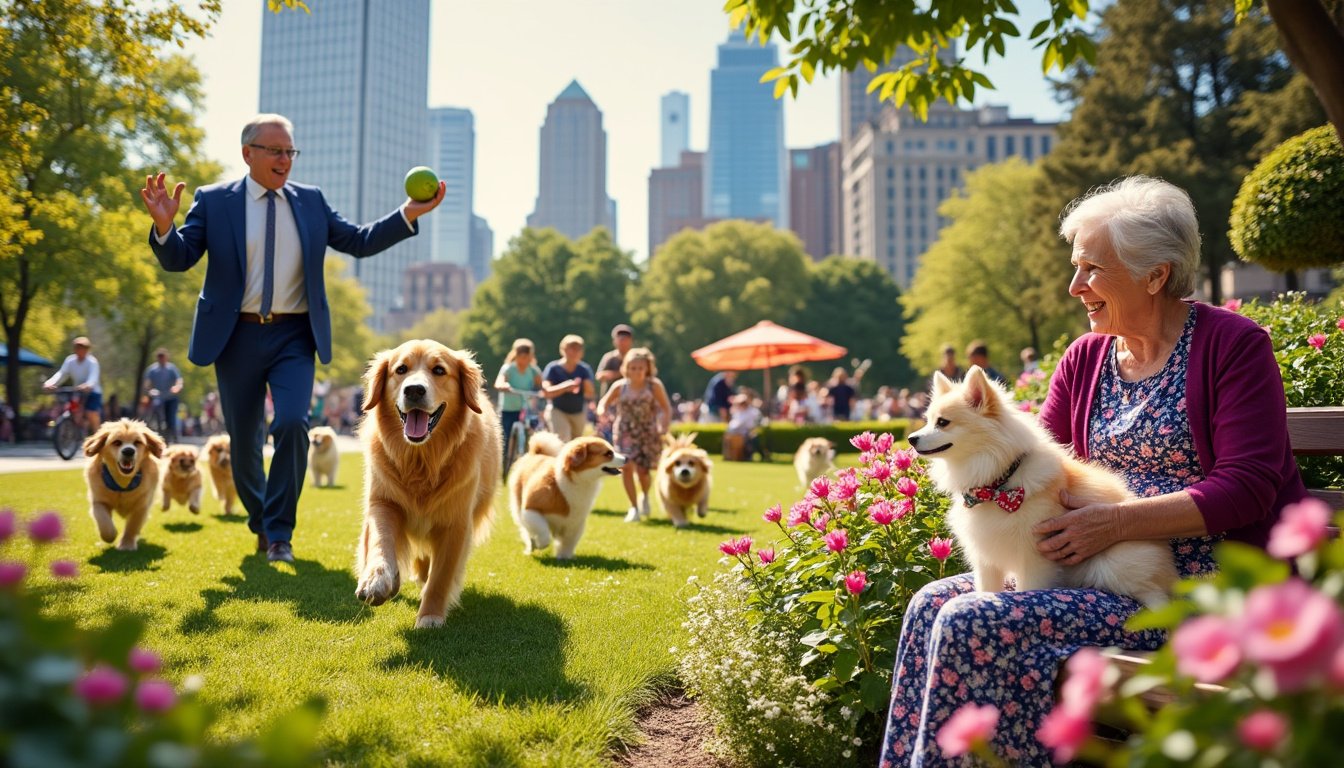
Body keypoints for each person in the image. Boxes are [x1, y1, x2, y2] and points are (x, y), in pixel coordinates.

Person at [880, 176, 1309, 767]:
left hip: (1184, 588)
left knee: (975, 621)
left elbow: (1248, 487)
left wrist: (1117, 524)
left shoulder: (1233, 345)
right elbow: (1033, 462)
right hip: (1078, 565)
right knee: (932, 604)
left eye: (1090, 269)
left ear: (1155, 275)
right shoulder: (1086, 357)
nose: (1074, 285)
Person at [140, 113, 443, 564]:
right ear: (248, 154)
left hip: (293, 336)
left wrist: (408, 214)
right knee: (244, 442)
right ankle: (263, 520)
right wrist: (166, 228)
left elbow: (357, 240)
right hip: (235, 335)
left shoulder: (311, 201)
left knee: (291, 424)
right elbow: (180, 258)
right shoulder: (214, 200)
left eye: (290, 151)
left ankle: (280, 533)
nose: (285, 159)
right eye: (275, 151)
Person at [596, 347, 672, 523]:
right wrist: (602, 411)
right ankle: (634, 507)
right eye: (633, 368)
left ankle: (644, 494)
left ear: (647, 369)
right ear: (626, 368)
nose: (636, 372)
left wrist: (664, 426)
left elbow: (666, 408)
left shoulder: (654, 386)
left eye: (640, 368)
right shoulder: (620, 386)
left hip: (647, 432)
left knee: (644, 472)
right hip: (624, 432)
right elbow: (604, 402)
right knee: (626, 466)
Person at [43, 336, 103, 433]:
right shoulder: (70, 361)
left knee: (91, 414)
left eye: (82, 348)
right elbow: (61, 374)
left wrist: (88, 385)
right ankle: (75, 433)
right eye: (77, 348)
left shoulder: (92, 362)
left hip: (92, 391)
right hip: (77, 391)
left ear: (87, 349)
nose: (79, 350)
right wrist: (49, 383)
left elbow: (93, 377)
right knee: (72, 410)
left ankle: (98, 434)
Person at [541, 334, 595, 441]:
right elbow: (546, 391)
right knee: (563, 438)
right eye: (572, 348)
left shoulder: (584, 369)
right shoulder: (553, 368)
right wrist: (565, 387)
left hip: (578, 412)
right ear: (563, 350)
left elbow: (590, 393)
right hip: (558, 410)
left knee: (576, 442)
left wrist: (587, 385)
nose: (575, 352)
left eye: (578, 349)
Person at [494, 338, 544, 450]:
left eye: (527, 357)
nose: (525, 360)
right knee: (505, 438)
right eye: (522, 357)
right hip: (508, 409)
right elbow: (499, 382)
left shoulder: (534, 371)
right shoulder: (508, 369)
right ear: (516, 355)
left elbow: (542, 385)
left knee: (530, 436)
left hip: (526, 409)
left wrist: (542, 392)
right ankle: (506, 463)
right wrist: (504, 385)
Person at [595, 323, 635, 439]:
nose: (623, 342)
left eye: (626, 339)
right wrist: (620, 373)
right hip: (611, 401)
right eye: (620, 339)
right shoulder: (609, 358)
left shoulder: (635, 358)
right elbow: (600, 376)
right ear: (615, 341)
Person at [142, 347, 184, 442]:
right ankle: (159, 434)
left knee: (171, 419)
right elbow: (147, 384)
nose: (161, 359)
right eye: (159, 357)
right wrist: (150, 390)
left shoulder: (172, 368)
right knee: (157, 415)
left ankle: (173, 438)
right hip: (159, 398)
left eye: (163, 357)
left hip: (171, 397)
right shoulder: (152, 370)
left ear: (166, 357)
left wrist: (177, 387)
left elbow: (179, 380)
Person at [725, 392, 767, 461]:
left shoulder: (753, 412)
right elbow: (733, 425)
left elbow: (756, 423)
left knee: (752, 439)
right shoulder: (737, 412)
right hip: (739, 433)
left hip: (749, 433)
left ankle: (755, 456)